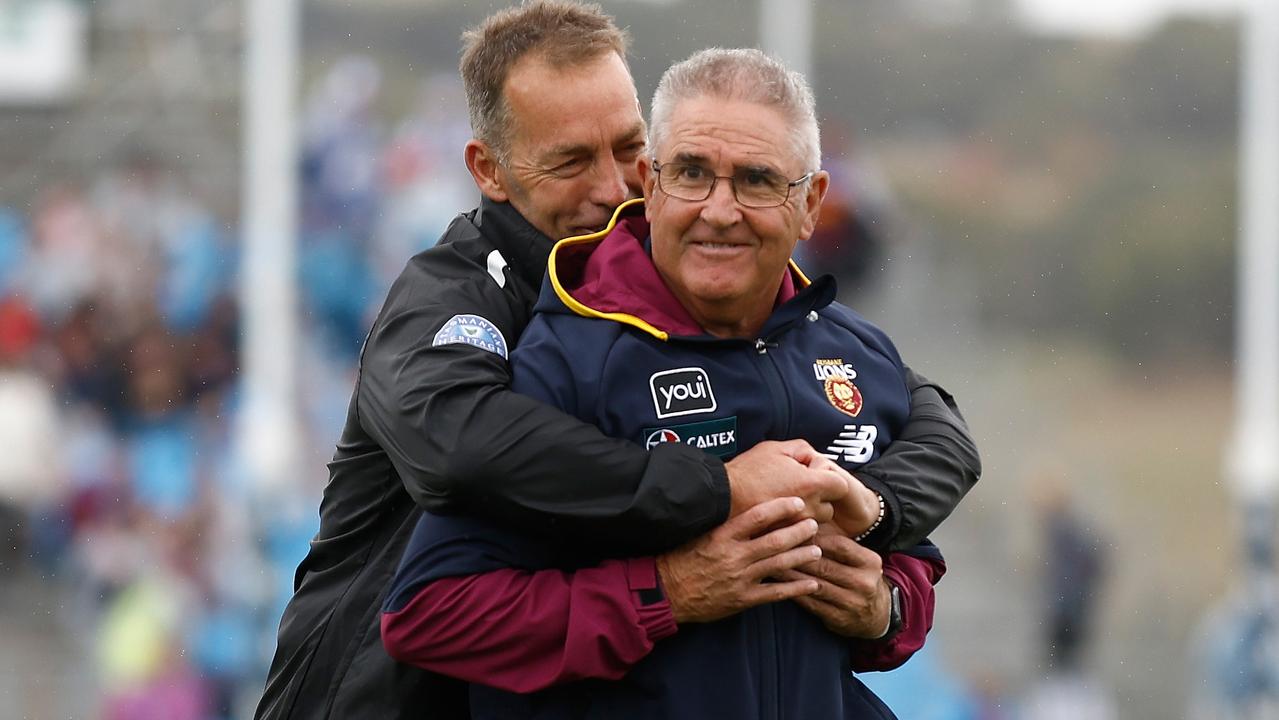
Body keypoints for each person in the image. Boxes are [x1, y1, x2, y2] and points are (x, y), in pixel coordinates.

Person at [255, 3, 980, 719]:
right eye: (570, 160)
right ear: (489, 169)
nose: (611, 188)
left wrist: (880, 570)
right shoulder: (459, 299)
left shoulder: (740, 312)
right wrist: (710, 508)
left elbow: (930, 425)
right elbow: (461, 452)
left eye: (627, 149)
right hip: (367, 698)